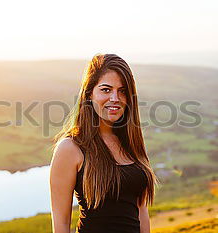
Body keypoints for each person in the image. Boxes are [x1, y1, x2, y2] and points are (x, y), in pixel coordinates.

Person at [49, 54, 159, 233]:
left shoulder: (131, 142)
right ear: (89, 94)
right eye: (106, 90)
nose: (115, 98)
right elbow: (61, 224)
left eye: (122, 91)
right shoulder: (71, 148)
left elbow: (141, 211)